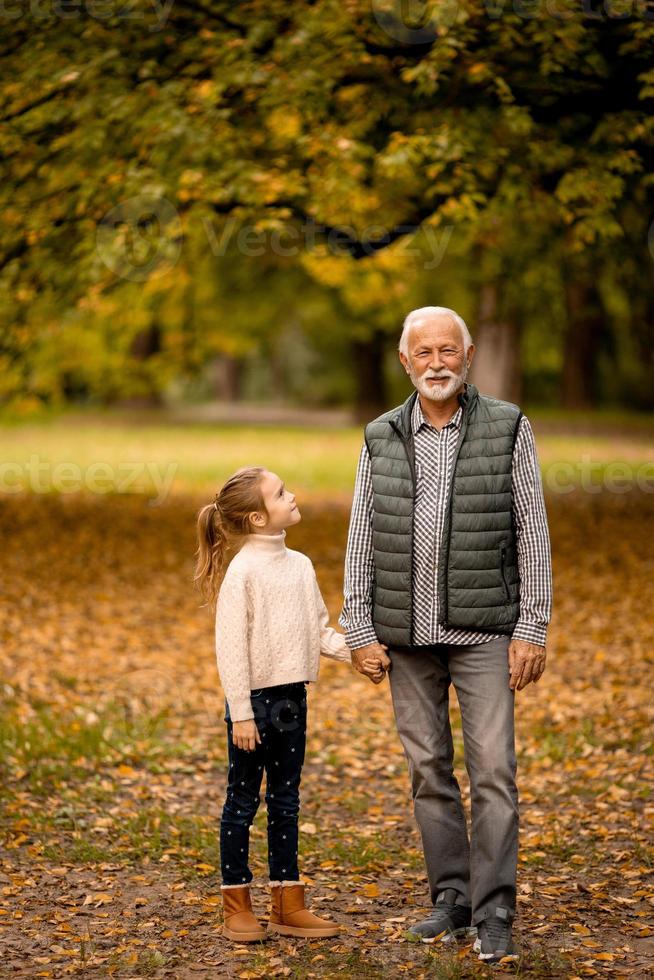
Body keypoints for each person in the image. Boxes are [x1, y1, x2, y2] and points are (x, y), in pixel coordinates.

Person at [339, 306, 553, 964]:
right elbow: (361, 533)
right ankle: (452, 898)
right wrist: (358, 625)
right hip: (404, 634)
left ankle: (495, 910)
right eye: (423, 352)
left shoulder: (507, 426)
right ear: (406, 362)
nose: (437, 362)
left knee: (494, 770)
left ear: (468, 356)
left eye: (448, 351)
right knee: (428, 770)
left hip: (485, 630)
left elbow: (532, 526)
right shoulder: (380, 436)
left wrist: (532, 624)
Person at [195, 465, 384, 942]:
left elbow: (315, 630)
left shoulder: (299, 564)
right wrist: (239, 711)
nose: (293, 495)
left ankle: (287, 903)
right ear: (258, 518)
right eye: (281, 493)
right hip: (253, 706)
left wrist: (355, 655)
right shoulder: (244, 572)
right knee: (242, 801)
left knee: (286, 801)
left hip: (293, 700)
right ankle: (237, 904)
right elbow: (231, 647)